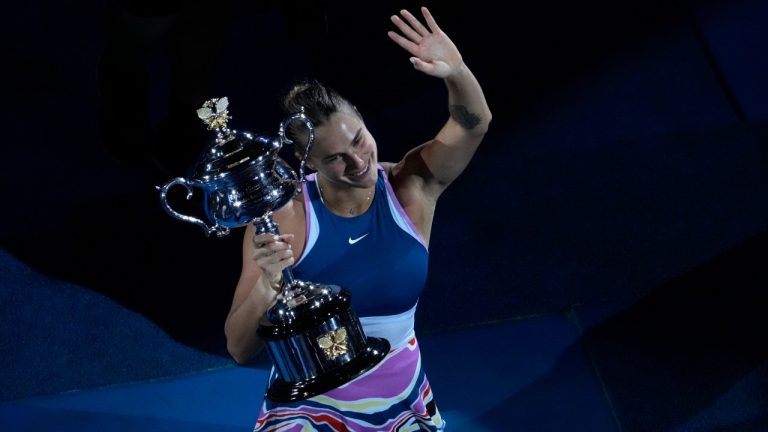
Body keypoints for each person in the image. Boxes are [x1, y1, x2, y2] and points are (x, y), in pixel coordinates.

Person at [224, 6, 491, 431]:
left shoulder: (412, 185)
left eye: (359, 140)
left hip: (403, 402)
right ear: (307, 161)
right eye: (335, 158)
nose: (359, 163)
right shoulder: (284, 218)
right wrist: (267, 288)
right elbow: (239, 348)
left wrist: (456, 72)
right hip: (308, 409)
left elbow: (472, 125)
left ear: (364, 122)